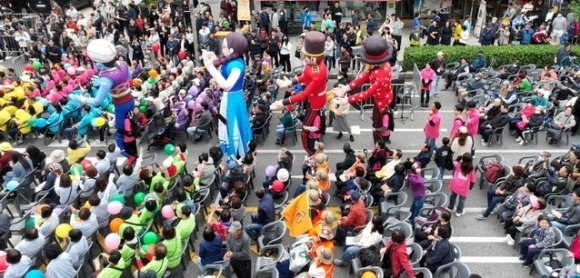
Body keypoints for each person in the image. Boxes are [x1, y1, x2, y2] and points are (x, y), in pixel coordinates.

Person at [69, 39, 135, 162]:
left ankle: (129, 156)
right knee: (128, 128)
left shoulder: (106, 78)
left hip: (120, 105)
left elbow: (96, 102)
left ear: (99, 64)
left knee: (119, 133)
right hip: (130, 99)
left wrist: (79, 98)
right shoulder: (123, 64)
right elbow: (129, 77)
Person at [271, 31, 328, 155]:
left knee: (305, 131)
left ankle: (311, 153)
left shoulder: (317, 72)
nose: (303, 57)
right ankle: (312, 152)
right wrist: (290, 82)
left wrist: (283, 102)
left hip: (316, 103)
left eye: (305, 56)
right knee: (305, 127)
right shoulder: (313, 65)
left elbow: (303, 95)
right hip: (314, 100)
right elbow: (304, 76)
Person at [332, 35, 394, 144]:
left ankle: (381, 148)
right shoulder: (378, 65)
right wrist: (347, 88)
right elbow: (363, 76)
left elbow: (367, 93)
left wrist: (347, 100)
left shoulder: (381, 73)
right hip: (380, 98)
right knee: (375, 126)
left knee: (376, 129)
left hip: (382, 102)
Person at [202, 32, 253, 160]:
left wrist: (209, 66)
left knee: (233, 125)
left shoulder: (237, 66)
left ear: (231, 49)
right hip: (230, 97)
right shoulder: (233, 60)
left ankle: (236, 155)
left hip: (233, 98)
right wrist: (213, 59)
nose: (222, 49)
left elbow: (226, 85)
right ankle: (235, 154)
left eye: (224, 47)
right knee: (229, 124)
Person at [447, 153, 476, 217]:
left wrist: (458, 158)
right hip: (464, 187)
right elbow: (472, 180)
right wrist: (470, 188)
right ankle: (459, 211)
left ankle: (450, 207)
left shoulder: (459, 165)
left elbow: (454, 162)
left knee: (453, 196)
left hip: (455, 184)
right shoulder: (471, 169)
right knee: (462, 200)